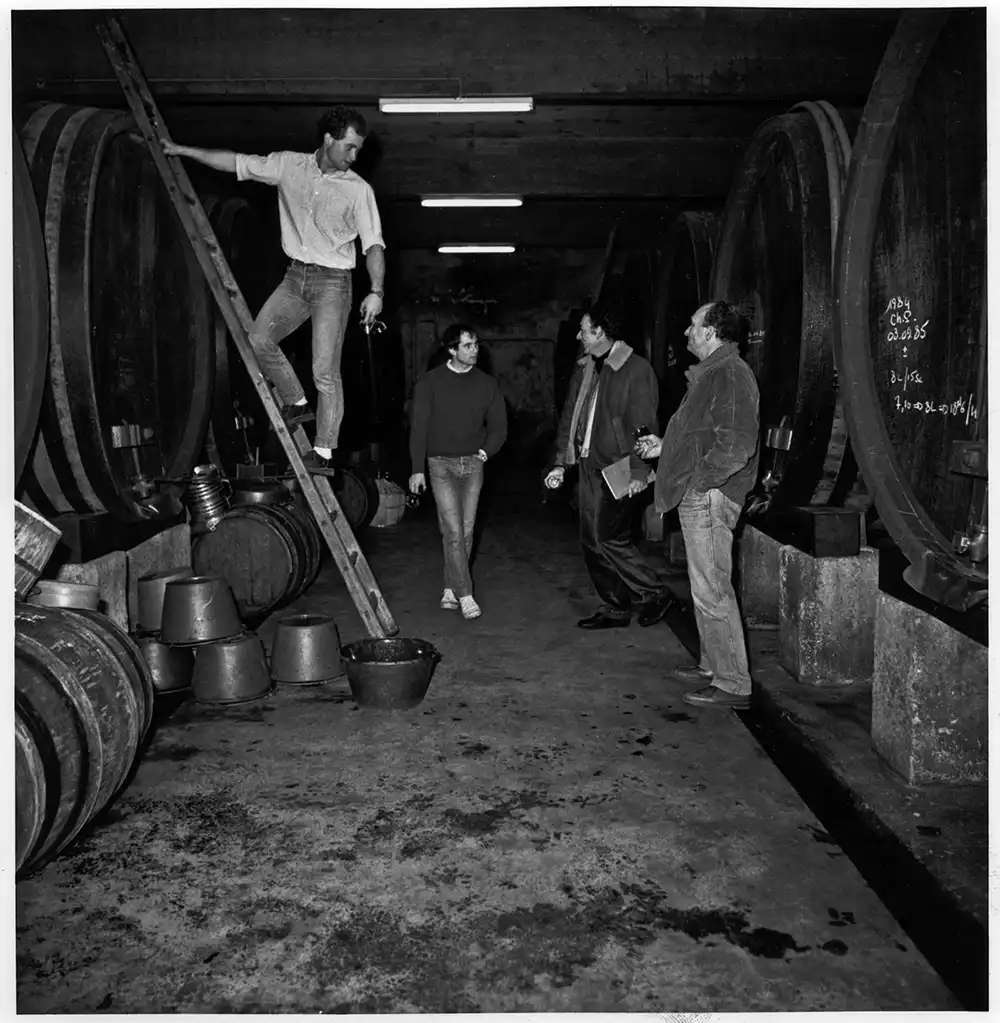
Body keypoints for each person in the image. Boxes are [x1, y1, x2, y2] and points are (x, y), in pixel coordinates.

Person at [162, 105, 385, 476]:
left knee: (324, 372)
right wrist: (183, 151)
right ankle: (296, 401)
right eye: (348, 147)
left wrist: (376, 290)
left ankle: (324, 453)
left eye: (358, 148)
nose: (354, 156)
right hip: (295, 278)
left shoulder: (359, 190)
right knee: (258, 339)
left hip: (334, 284)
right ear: (328, 140)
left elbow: (374, 245)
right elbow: (236, 162)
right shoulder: (288, 166)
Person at [636, 300, 760, 710]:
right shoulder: (711, 374)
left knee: (712, 588)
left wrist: (700, 483)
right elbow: (701, 434)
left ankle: (732, 683)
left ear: (710, 332)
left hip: (709, 495)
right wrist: (664, 447)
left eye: (693, 325)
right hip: (701, 491)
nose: (686, 332)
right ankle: (713, 663)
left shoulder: (729, 374)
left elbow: (737, 444)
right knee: (702, 584)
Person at [544, 303, 675, 630]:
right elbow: (569, 418)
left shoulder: (635, 369)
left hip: (619, 466)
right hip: (587, 464)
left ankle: (654, 591)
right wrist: (561, 462)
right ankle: (615, 606)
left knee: (608, 537)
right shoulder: (585, 366)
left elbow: (643, 426)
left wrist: (639, 471)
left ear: (600, 332)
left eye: (584, 330)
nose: (578, 336)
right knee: (590, 539)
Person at [409, 325, 507, 620]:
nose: (474, 350)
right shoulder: (429, 383)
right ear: (451, 350)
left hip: (473, 464)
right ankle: (465, 594)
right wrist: (416, 470)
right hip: (440, 464)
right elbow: (419, 429)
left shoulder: (487, 384)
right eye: (467, 346)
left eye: (476, 344)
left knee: (464, 531)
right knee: (453, 530)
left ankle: (450, 588)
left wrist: (485, 452)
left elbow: (500, 426)